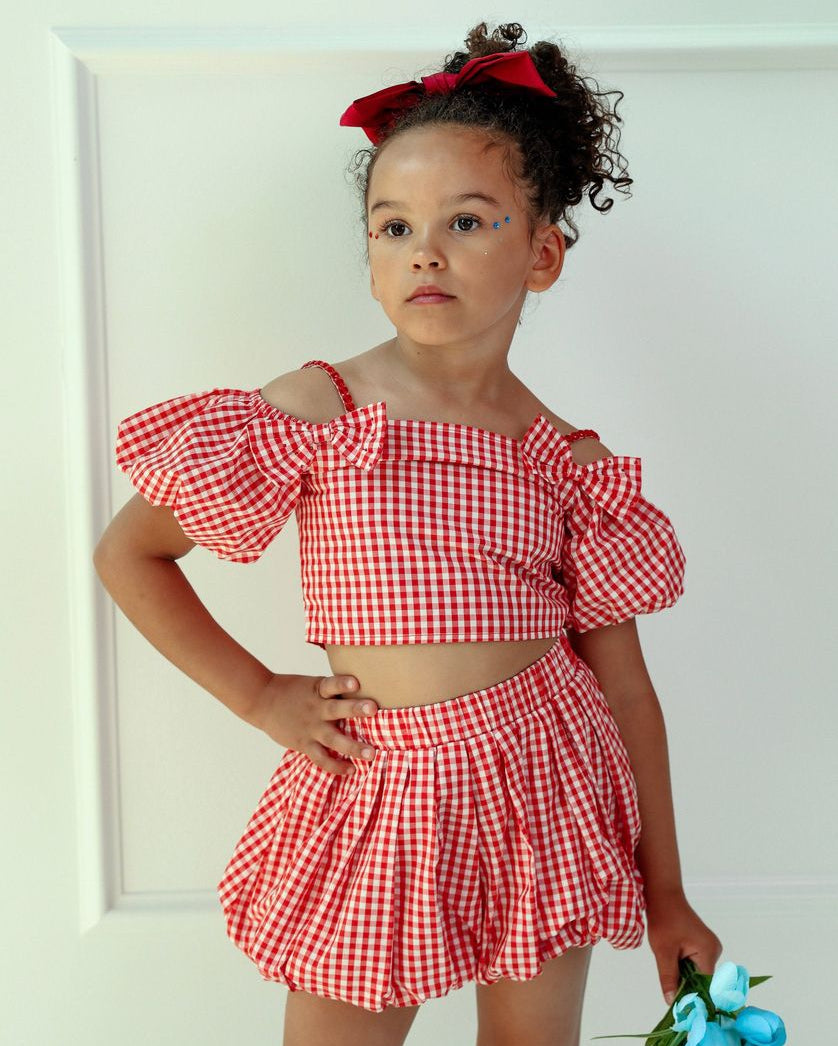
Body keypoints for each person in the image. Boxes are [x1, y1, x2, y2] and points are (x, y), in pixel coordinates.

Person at [94, 20, 723, 1046]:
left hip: (541, 791)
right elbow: (131, 552)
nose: (424, 248)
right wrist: (261, 694)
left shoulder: (572, 463)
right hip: (377, 789)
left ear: (543, 252)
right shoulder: (321, 409)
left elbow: (623, 689)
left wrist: (669, 892)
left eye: (468, 222)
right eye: (393, 227)